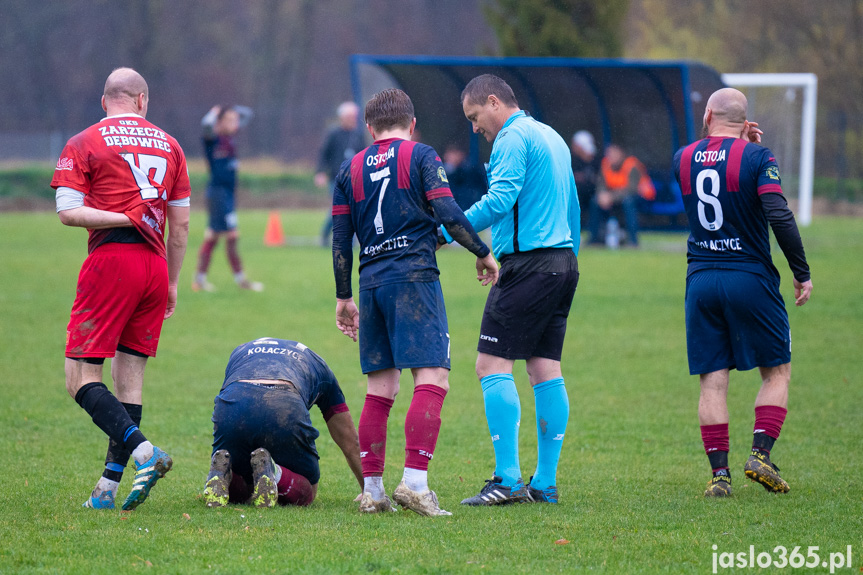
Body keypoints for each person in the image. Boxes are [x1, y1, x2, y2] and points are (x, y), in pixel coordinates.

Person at [331, 88, 498, 517]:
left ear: (370, 129)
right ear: (412, 123)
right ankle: (415, 484)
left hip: (370, 285)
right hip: (414, 280)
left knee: (380, 387)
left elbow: (340, 241)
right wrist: (481, 251)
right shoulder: (422, 156)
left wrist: (344, 296)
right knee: (434, 377)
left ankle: (372, 491)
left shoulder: (349, 169)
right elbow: (448, 211)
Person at [50, 67, 191, 510]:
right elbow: (181, 225)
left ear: (105, 100)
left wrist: (122, 217)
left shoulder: (84, 141)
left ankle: (145, 452)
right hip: (153, 266)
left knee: (79, 379)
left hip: (112, 261)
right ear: (143, 101)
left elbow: (69, 212)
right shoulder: (171, 144)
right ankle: (108, 488)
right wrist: (170, 282)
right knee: (128, 379)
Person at [440, 74, 580, 505]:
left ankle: (507, 480)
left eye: (475, 116)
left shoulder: (512, 138)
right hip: (563, 262)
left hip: (531, 265)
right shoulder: (551, 136)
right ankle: (545, 483)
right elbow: (571, 205)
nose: (475, 128)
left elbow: (500, 200)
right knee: (544, 368)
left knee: (489, 364)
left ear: (494, 102)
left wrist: (449, 232)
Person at [672, 87, 812, 497]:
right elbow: (777, 214)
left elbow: (709, 176)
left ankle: (720, 477)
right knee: (777, 371)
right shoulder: (757, 158)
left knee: (712, 382)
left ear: (708, 114)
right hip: (748, 276)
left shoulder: (681, 157)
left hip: (700, 279)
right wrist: (800, 271)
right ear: (745, 120)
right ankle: (760, 455)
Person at [203, 338, 363, 508]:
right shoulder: (319, 366)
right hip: (284, 405)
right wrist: (368, 488)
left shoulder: (239, 351)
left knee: (241, 475)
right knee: (309, 490)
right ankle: (274, 473)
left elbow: (228, 389)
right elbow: (349, 439)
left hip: (234, 404)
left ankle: (223, 474)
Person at [192, 104, 263, 292]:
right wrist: (214, 113)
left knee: (213, 237)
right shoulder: (212, 139)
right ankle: (241, 281)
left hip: (227, 196)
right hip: (218, 195)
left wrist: (234, 110)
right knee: (232, 235)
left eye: (235, 120)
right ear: (219, 122)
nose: (235, 123)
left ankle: (199, 280)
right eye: (229, 120)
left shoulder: (229, 139)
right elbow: (206, 125)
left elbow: (247, 114)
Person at [316, 101, 366, 247]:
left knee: (352, 209)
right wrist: (320, 172)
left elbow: (364, 155)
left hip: (354, 179)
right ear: (342, 117)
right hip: (336, 178)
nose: (353, 119)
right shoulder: (333, 134)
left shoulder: (358, 135)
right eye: (350, 116)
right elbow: (323, 154)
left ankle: (350, 240)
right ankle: (326, 234)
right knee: (339, 208)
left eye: (354, 116)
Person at [587, 143, 655, 247]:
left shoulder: (631, 165)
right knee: (595, 201)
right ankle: (594, 240)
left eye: (613, 154)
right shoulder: (606, 164)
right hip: (615, 198)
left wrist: (611, 197)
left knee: (628, 202)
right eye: (609, 155)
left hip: (639, 198)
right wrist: (602, 195)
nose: (610, 157)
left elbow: (632, 189)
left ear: (621, 154)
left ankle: (633, 241)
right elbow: (601, 183)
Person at [442, 143, 488, 211]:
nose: (446, 157)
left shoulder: (470, 171)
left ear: (460, 155)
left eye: (451, 154)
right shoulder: (447, 173)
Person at [570, 130, 601, 226]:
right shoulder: (573, 160)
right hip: (579, 194)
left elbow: (599, 179)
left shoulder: (597, 160)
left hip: (593, 193)